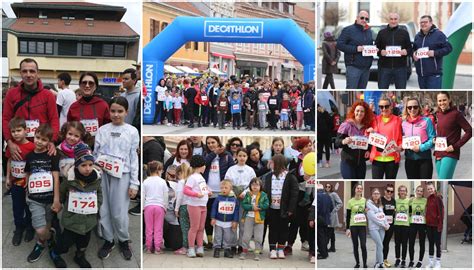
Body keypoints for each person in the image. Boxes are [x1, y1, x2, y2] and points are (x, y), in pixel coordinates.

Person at [94, 97, 139, 260]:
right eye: (113, 111)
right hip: (104, 174)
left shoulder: (132, 131)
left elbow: (133, 158)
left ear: (126, 112)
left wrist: (135, 183)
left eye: (120, 111)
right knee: (104, 209)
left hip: (123, 175)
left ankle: (123, 239)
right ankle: (108, 239)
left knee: (119, 212)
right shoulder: (102, 130)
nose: (116, 114)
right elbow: (95, 153)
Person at [48, 143, 102, 268]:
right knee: (65, 243)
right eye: (83, 165)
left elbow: (100, 193)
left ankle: (79, 255)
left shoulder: (97, 179)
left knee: (84, 242)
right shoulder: (70, 180)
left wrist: (97, 204)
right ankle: (55, 253)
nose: (88, 168)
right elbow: (61, 192)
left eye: (90, 165)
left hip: (88, 221)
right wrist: (57, 203)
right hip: (71, 220)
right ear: (77, 166)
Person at [3, 58, 60, 159]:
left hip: (41, 147)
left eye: (32, 71)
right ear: (20, 73)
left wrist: (52, 141)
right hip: (18, 147)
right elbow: (6, 119)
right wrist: (9, 142)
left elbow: (54, 120)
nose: (28, 75)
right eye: (24, 71)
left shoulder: (48, 95)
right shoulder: (11, 93)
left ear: (38, 73)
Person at [24, 124, 61, 263]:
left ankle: (41, 244)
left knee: (47, 222)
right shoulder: (29, 156)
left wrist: (56, 199)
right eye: (37, 137)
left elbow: (56, 178)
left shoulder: (53, 156)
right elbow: (28, 172)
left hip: (50, 198)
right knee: (40, 229)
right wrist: (27, 190)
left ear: (49, 142)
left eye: (44, 139)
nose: (39, 141)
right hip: (34, 199)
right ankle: (49, 237)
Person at [5, 117, 36, 246]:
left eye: (18, 130)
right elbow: (9, 161)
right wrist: (7, 177)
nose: (16, 134)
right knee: (17, 206)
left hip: (28, 183)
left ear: (26, 131)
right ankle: (19, 228)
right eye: (13, 131)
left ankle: (30, 227)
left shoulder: (32, 146)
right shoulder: (11, 146)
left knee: (29, 206)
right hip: (16, 183)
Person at [262, 154, 298, 259]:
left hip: (284, 209)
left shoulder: (290, 177)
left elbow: (294, 193)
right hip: (272, 208)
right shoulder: (268, 176)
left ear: (278, 163)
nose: (270, 164)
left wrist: (291, 209)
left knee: (283, 229)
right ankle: (272, 249)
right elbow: (264, 191)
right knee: (273, 228)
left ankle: (281, 249)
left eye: (272, 162)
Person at [203, 137, 235, 249]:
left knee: (221, 217)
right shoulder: (206, 155)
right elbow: (203, 164)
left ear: (218, 143)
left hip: (222, 193)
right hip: (208, 192)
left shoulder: (227, 156)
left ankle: (221, 242)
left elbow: (232, 171)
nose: (211, 145)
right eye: (209, 143)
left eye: (213, 142)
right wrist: (213, 153)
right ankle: (210, 240)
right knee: (208, 218)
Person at [433, 91, 472, 179]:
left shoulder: (456, 114)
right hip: (439, 152)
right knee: (441, 180)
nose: (442, 103)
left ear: (449, 100)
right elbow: (441, 132)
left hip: (450, 152)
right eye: (439, 101)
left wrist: (456, 146)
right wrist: (435, 139)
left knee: (444, 179)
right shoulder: (438, 114)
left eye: (444, 100)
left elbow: (469, 131)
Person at [224, 148, 256, 253]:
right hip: (232, 198)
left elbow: (253, 184)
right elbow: (227, 182)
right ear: (236, 156)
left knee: (243, 223)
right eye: (240, 155)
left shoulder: (250, 170)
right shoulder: (231, 169)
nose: (242, 158)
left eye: (244, 156)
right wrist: (232, 192)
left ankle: (242, 245)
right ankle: (232, 244)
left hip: (245, 199)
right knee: (233, 222)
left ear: (247, 157)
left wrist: (245, 192)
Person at [336, 101, 374, 179]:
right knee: (349, 184)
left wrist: (369, 150)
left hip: (361, 163)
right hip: (348, 161)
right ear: (354, 112)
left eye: (362, 111)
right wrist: (344, 141)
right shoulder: (346, 125)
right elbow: (337, 142)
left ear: (365, 113)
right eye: (357, 111)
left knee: (358, 186)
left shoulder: (367, 126)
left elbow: (370, 143)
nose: (359, 113)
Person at [337, 10, 375, 89]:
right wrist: (356, 49)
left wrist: (374, 49)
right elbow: (339, 45)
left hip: (366, 68)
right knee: (351, 90)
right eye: (362, 18)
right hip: (353, 66)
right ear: (357, 18)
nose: (364, 20)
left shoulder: (369, 31)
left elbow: (370, 45)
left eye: (366, 19)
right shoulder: (348, 30)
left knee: (361, 92)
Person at [183, 155, 212, 257]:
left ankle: (199, 247)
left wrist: (208, 191)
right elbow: (186, 190)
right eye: (204, 165)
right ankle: (191, 248)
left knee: (201, 227)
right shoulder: (192, 177)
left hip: (203, 204)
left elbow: (202, 189)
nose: (205, 167)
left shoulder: (200, 177)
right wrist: (196, 195)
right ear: (201, 166)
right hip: (194, 205)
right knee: (194, 227)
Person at [413, 15, 453, 89]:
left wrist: (435, 53)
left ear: (431, 23)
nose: (423, 24)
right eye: (421, 22)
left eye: (425, 22)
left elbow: (449, 48)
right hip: (421, 75)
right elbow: (414, 49)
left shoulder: (439, 34)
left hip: (434, 75)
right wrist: (414, 54)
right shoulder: (417, 36)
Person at [375, 12, 412, 89]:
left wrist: (406, 51)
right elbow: (375, 48)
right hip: (384, 67)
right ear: (388, 20)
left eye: (395, 19)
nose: (393, 21)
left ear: (398, 20)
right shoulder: (381, 33)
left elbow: (410, 48)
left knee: (401, 89)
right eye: (391, 19)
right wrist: (380, 52)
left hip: (400, 67)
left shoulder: (404, 33)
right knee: (382, 89)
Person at [67, 72, 110, 137]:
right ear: (80, 85)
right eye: (84, 83)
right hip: (77, 145)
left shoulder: (103, 105)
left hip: (99, 145)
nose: (87, 85)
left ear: (95, 86)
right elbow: (69, 128)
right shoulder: (73, 107)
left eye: (91, 83)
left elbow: (108, 128)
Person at [368, 97, 402, 179]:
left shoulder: (398, 120)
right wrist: (368, 131)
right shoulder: (374, 120)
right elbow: (366, 133)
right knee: (377, 185)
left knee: (390, 185)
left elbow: (401, 138)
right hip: (377, 159)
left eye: (386, 106)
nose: (384, 109)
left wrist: (400, 147)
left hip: (392, 159)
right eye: (381, 107)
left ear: (391, 106)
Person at [401, 97, 436, 179]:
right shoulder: (403, 123)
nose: (412, 109)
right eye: (409, 107)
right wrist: (401, 145)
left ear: (419, 108)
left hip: (424, 158)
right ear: (406, 109)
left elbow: (433, 138)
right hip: (409, 159)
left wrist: (421, 147)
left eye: (415, 107)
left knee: (425, 183)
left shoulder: (427, 121)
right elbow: (401, 139)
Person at [240, 177, 269, 261]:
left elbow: (266, 204)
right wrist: (252, 207)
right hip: (249, 217)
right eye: (253, 185)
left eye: (257, 185)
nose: (255, 186)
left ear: (261, 186)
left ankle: (257, 252)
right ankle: (244, 251)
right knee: (246, 236)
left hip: (259, 218)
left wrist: (259, 207)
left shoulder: (264, 195)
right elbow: (244, 204)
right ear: (250, 186)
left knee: (258, 237)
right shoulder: (248, 194)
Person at [143, 161, 168, 254]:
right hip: (159, 206)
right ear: (158, 170)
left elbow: (143, 195)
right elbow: (165, 196)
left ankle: (149, 247)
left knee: (149, 228)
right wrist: (165, 207)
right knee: (158, 228)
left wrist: (143, 207)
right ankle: (158, 248)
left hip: (148, 206)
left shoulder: (146, 181)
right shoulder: (162, 182)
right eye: (161, 170)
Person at [210, 179, 239, 258]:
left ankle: (227, 249)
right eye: (222, 188)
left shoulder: (234, 199)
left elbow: (236, 211)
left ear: (230, 189)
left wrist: (235, 221)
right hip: (219, 221)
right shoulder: (218, 198)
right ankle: (217, 249)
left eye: (226, 188)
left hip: (229, 222)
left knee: (228, 237)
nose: (224, 189)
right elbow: (214, 208)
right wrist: (213, 218)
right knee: (217, 236)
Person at [366, 188, 390, 268]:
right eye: (374, 193)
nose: (376, 195)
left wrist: (387, 225)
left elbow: (383, 216)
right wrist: (383, 225)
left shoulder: (380, 204)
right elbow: (373, 217)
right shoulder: (368, 204)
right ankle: (381, 263)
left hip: (382, 228)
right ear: (372, 195)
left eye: (378, 193)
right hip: (373, 228)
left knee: (379, 246)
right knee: (380, 245)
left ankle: (377, 263)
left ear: (380, 195)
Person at [346, 184, 368, 268]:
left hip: (362, 225)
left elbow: (367, 211)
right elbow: (348, 216)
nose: (359, 190)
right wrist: (347, 228)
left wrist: (366, 211)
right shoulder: (350, 201)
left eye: (361, 188)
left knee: (363, 245)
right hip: (353, 226)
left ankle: (365, 263)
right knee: (355, 245)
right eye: (358, 188)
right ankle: (357, 263)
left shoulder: (364, 200)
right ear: (354, 189)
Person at [174, 163, 193, 255]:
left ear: (180, 173)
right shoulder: (190, 181)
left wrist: (176, 209)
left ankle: (185, 247)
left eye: (177, 174)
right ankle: (192, 246)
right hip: (192, 206)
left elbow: (179, 196)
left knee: (185, 228)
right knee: (192, 227)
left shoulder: (181, 182)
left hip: (183, 207)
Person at [425, 182, 444, 268]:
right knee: (431, 243)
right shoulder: (428, 198)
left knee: (437, 244)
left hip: (436, 225)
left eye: (431, 188)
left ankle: (438, 262)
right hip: (429, 225)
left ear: (434, 188)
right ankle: (431, 262)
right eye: (428, 189)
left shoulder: (438, 198)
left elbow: (441, 212)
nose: (430, 190)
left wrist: (440, 224)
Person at [408, 185, 427, 268]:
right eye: (418, 191)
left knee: (421, 243)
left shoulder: (426, 200)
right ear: (415, 191)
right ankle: (411, 260)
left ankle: (420, 261)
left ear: (423, 193)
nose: (419, 192)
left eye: (421, 191)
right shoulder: (411, 200)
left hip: (422, 224)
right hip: (412, 223)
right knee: (411, 242)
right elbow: (409, 211)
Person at [393, 185, 410, 268]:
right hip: (397, 224)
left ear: (406, 192)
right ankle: (397, 259)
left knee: (404, 243)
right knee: (397, 243)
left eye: (404, 190)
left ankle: (403, 260)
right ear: (398, 192)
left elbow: (411, 212)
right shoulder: (396, 201)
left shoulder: (409, 201)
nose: (402, 192)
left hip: (406, 225)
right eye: (401, 190)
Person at [381, 184, 396, 267]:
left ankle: (385, 260)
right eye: (388, 191)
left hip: (390, 225)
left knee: (386, 243)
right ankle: (379, 260)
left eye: (391, 191)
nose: (389, 192)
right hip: (382, 225)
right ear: (385, 191)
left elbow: (394, 212)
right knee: (380, 243)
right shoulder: (381, 199)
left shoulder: (393, 201)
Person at [325, 183, 342, 252]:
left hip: (332, 216)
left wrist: (334, 210)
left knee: (329, 231)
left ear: (331, 187)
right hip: (326, 215)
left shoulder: (334, 194)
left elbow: (340, 203)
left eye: (329, 186)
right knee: (331, 232)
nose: (327, 188)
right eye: (326, 186)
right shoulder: (325, 194)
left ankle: (325, 247)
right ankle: (332, 247)